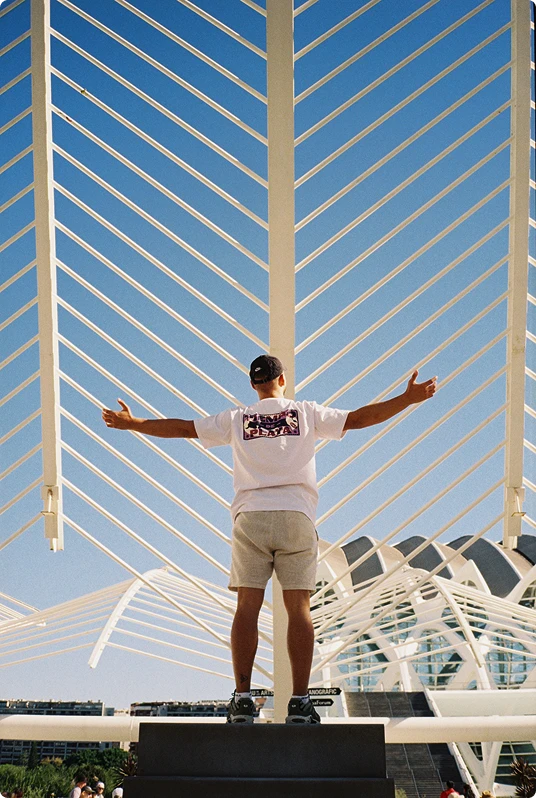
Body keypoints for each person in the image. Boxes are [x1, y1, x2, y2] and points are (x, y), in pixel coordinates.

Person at [103, 355, 437, 724]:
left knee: (247, 607)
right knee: (299, 609)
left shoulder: (237, 419)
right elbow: (358, 419)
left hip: (251, 516)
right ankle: (299, 702)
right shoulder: (305, 412)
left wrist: (133, 423)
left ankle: (243, 698)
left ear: (253, 385)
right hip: (296, 515)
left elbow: (183, 429)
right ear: (283, 379)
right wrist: (407, 399)